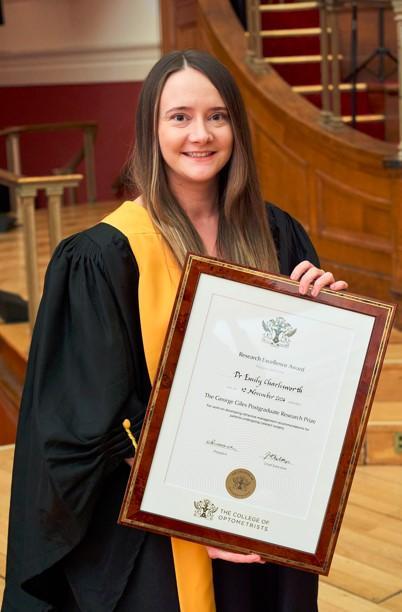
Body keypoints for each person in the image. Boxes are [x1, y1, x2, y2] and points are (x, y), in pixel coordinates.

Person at [2, 50, 348, 612]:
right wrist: (199, 513)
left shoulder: (279, 235)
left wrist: (326, 323)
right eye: (179, 116)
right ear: (150, 129)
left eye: (217, 116)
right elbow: (82, 430)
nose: (201, 134)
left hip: (264, 517)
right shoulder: (104, 257)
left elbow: (304, 401)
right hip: (155, 541)